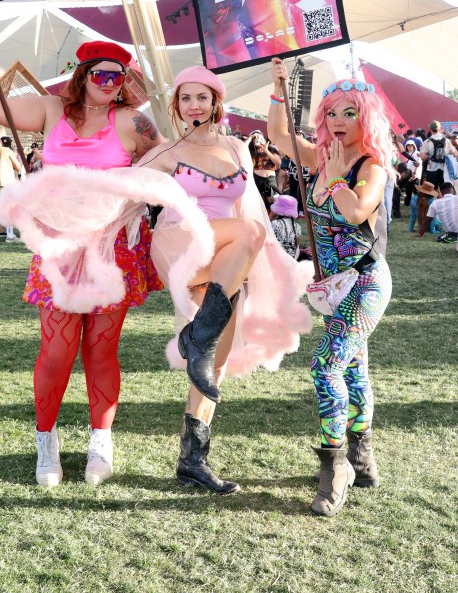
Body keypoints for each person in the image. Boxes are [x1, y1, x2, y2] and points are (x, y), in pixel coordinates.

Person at [0, 22, 164, 488]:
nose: (110, 83)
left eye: (118, 76)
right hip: (59, 249)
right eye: (101, 74)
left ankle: (102, 440)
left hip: (111, 249)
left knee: (102, 352)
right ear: (83, 74)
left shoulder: (133, 121)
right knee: (56, 352)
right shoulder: (53, 109)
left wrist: (139, 190)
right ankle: (46, 440)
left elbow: (166, 162)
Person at [142, 67, 313, 494]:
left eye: (202, 97)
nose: (194, 105)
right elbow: (124, 188)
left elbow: (250, 209)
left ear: (216, 101)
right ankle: (196, 337)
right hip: (182, 242)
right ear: (177, 106)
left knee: (212, 362)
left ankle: (192, 461)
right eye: (185, 99)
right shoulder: (166, 151)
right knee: (249, 237)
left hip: (227, 257)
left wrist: (265, 263)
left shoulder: (237, 148)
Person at [269, 59, 394, 518]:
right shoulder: (320, 158)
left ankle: (335, 464)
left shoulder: (371, 166)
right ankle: (363, 458)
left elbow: (359, 210)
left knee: (325, 368)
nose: (339, 121)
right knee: (354, 367)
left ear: (367, 117)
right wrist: (275, 86)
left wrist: (340, 176)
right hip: (334, 288)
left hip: (364, 282)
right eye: (333, 113)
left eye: (350, 113)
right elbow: (280, 135)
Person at [419, 121, 456, 191]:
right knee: (445, 190)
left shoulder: (427, 141)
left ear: (430, 129)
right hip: (444, 169)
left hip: (431, 169)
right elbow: (455, 154)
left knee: (431, 191)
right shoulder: (447, 140)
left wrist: (427, 154)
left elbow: (422, 158)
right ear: (439, 129)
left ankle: (434, 201)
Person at [269, 193, 302, 259]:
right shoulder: (297, 227)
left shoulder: (275, 224)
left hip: (278, 261)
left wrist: (270, 217)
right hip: (293, 261)